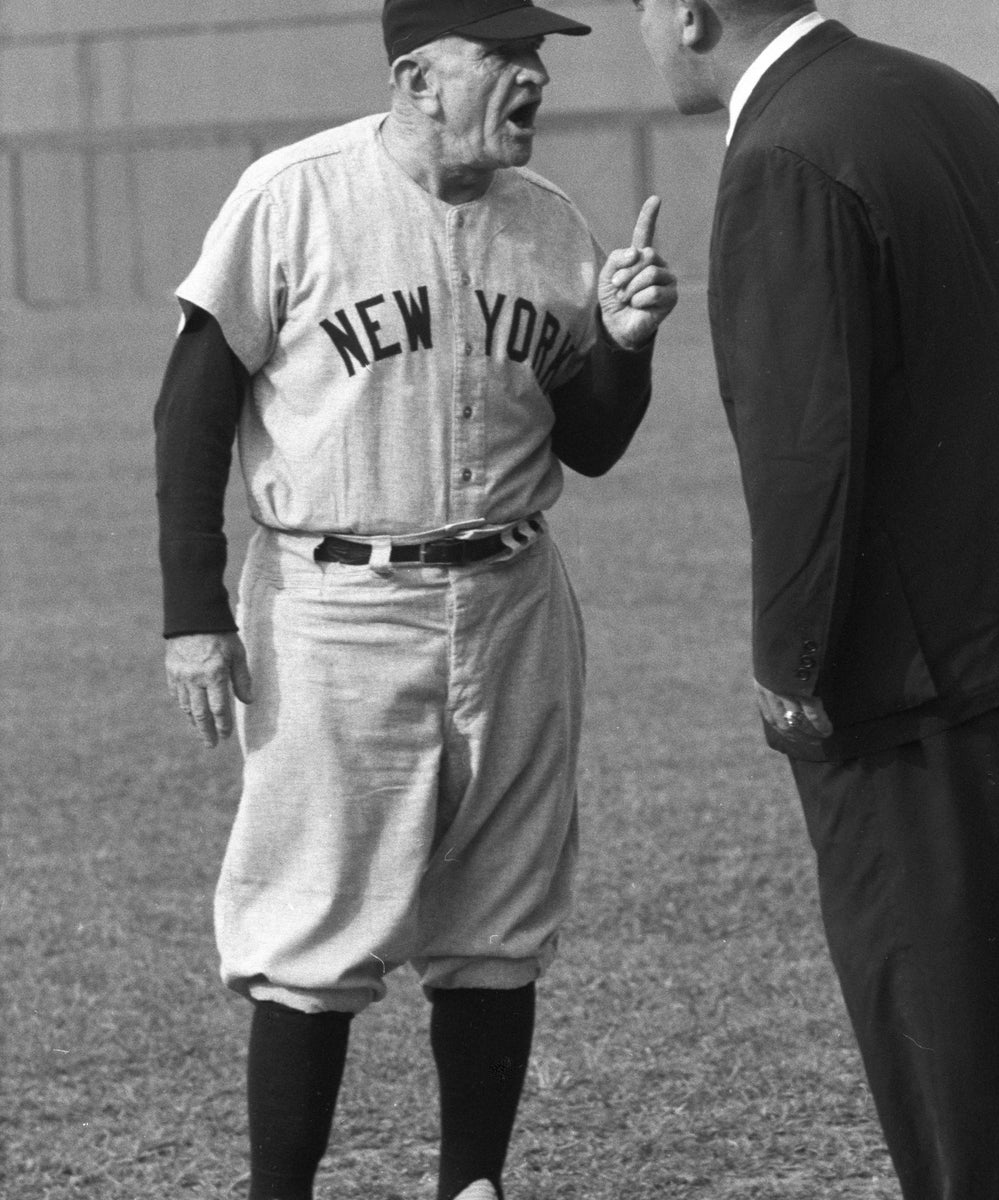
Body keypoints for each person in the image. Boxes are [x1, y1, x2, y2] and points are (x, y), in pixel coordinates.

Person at [153, 2, 677, 1198]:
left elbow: (590, 442)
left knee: (497, 920)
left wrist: (626, 346)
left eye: (540, 56)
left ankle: (472, 1186)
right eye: (507, 55)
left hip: (511, 599)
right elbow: (190, 408)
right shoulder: (293, 196)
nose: (535, 75)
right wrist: (193, 610)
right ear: (419, 77)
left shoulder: (551, 228)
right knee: (311, 921)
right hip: (334, 603)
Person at [633, 2, 999, 1198]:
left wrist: (792, 673)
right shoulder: (945, 93)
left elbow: (808, 450)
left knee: (948, 1042)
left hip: (904, 665)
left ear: (690, 14)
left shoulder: (785, 154)